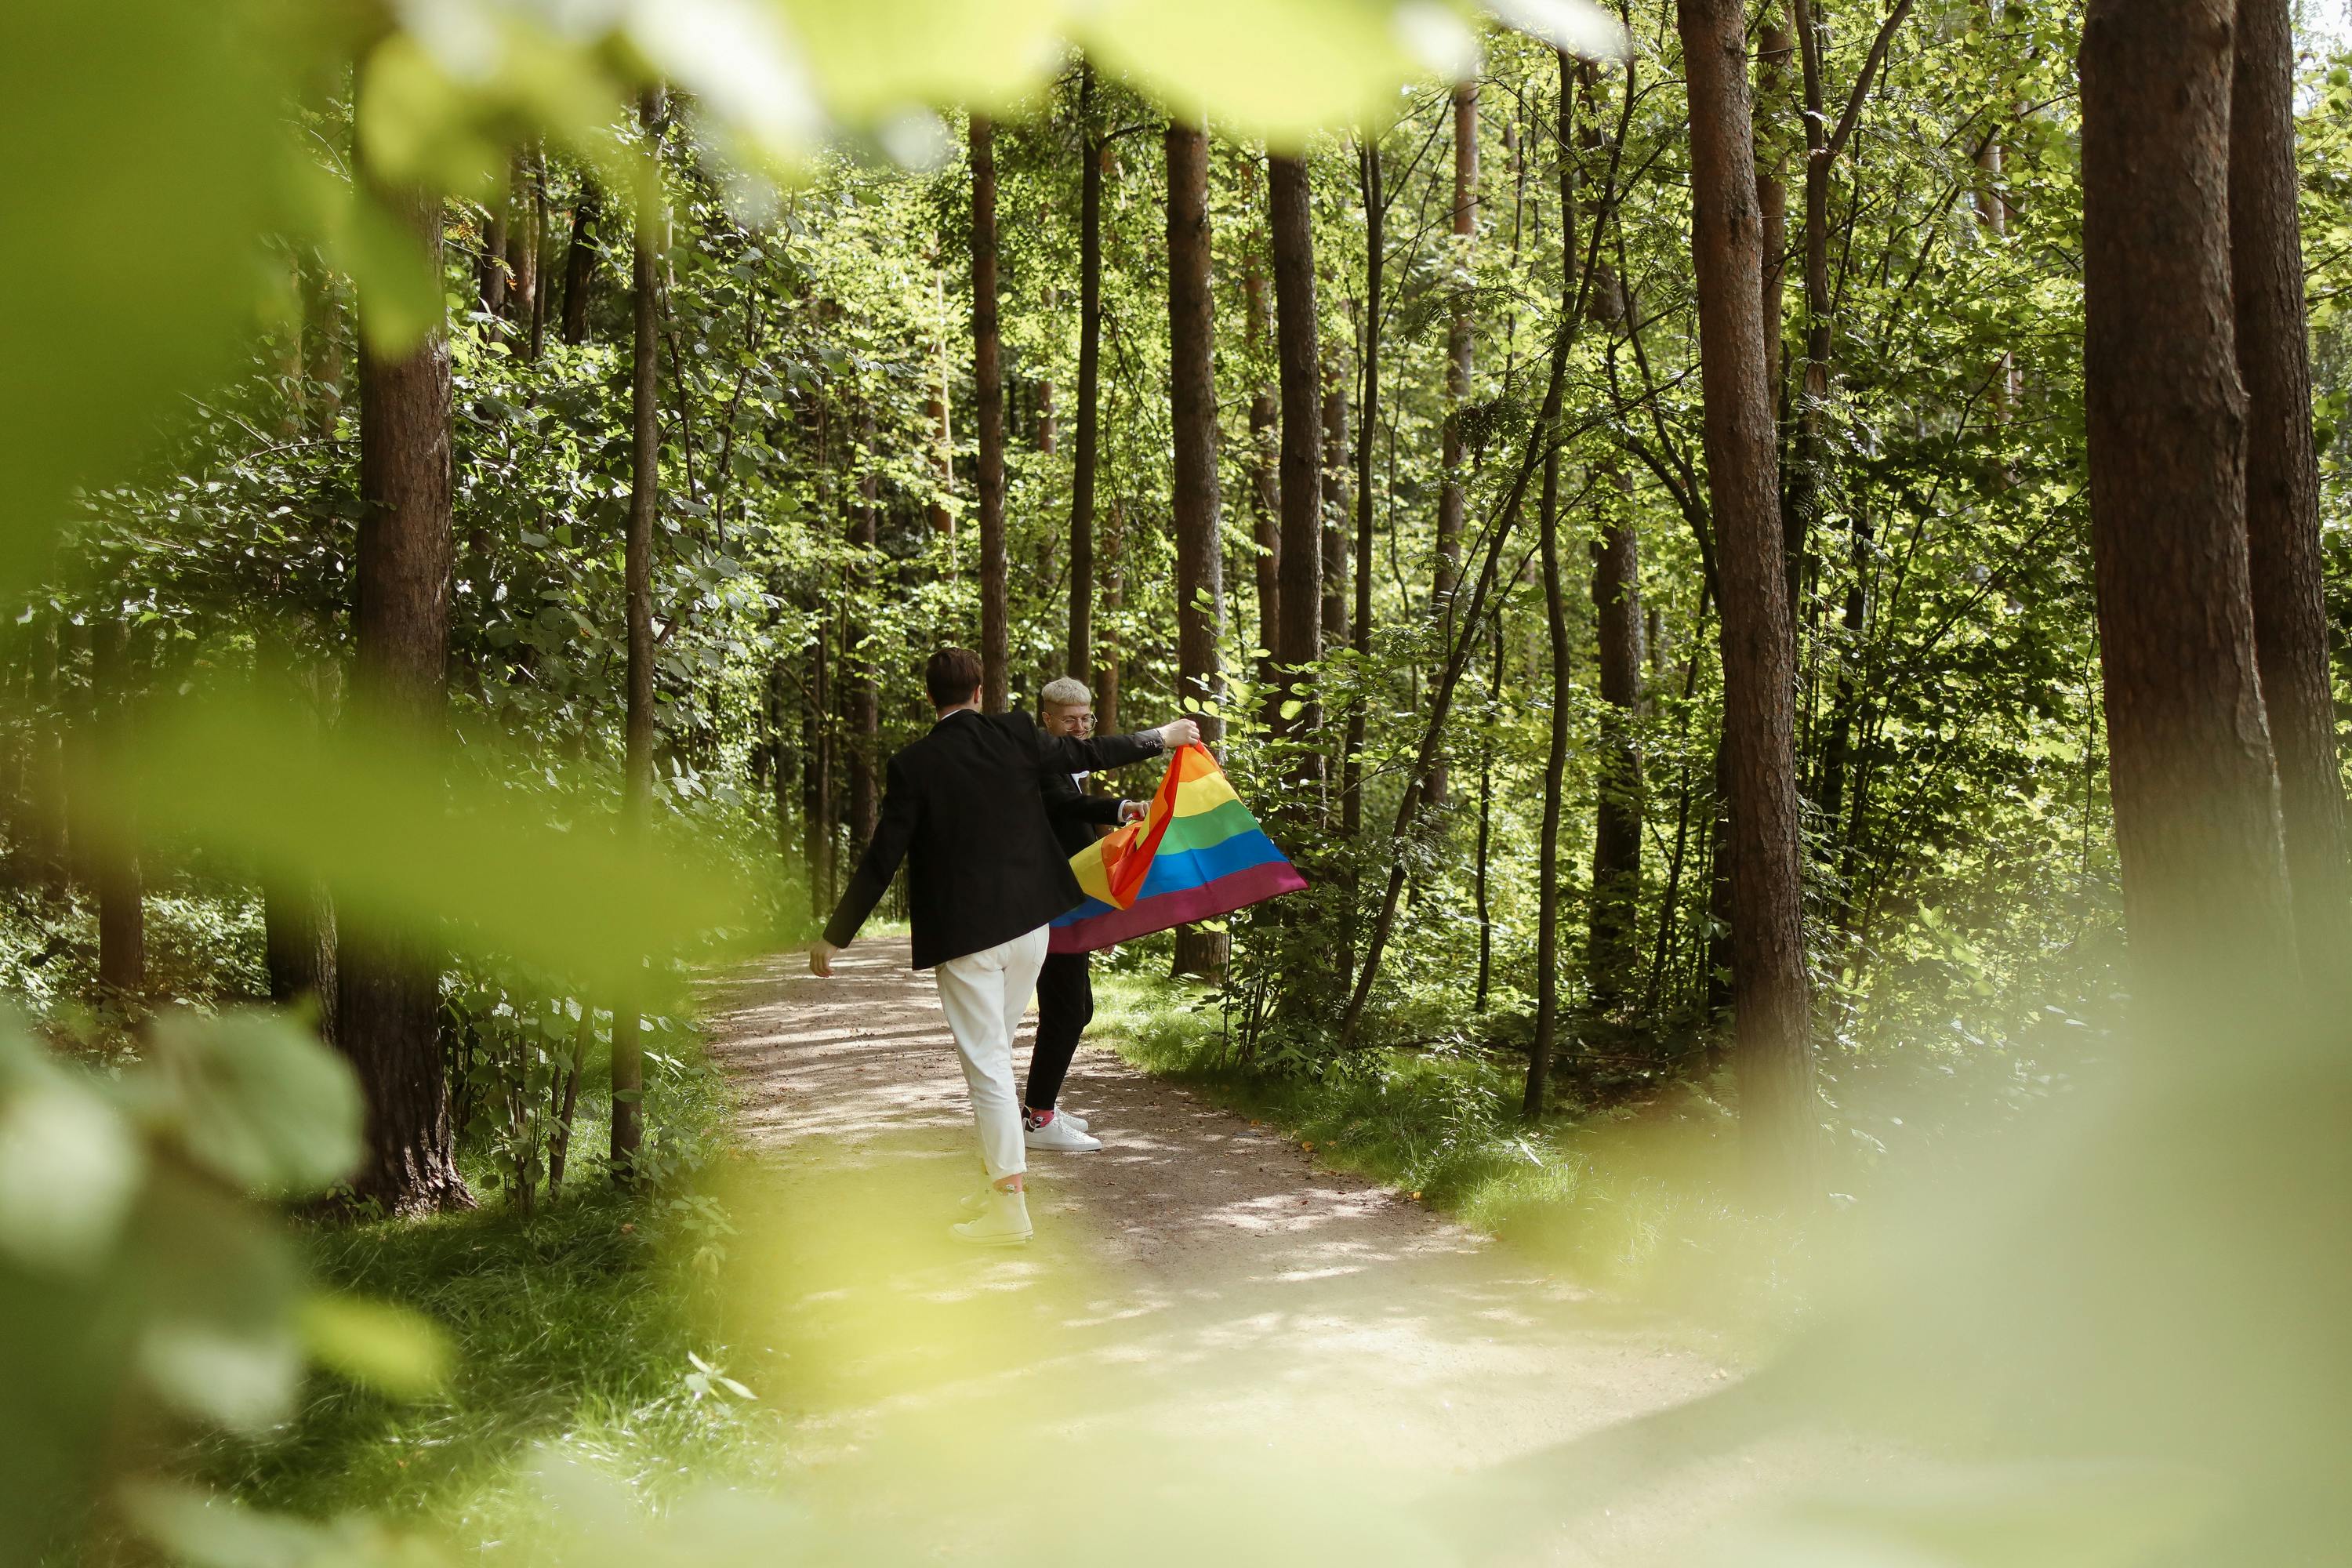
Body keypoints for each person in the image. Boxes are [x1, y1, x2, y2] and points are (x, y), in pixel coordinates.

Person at [808, 648, 1196, 1246]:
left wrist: (836, 935)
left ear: (930, 697)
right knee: (995, 1058)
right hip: (1032, 930)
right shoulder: (1014, 733)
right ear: (979, 692)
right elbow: (1089, 752)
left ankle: (1008, 1211)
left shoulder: (913, 763)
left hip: (968, 939)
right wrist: (1162, 738)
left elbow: (883, 856)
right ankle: (992, 1181)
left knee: (988, 1067)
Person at [1024, 676, 1131, 1153]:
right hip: (1050, 908)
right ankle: (1039, 1119)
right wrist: (1122, 808)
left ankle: (1040, 1106)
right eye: (1070, 720)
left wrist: (1100, 913)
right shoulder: (1042, 764)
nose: (1082, 727)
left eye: (1087, 718)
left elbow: (1081, 841)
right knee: (1067, 1011)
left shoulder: (1069, 765)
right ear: (1047, 720)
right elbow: (1069, 808)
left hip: (1071, 906)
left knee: (1075, 1010)